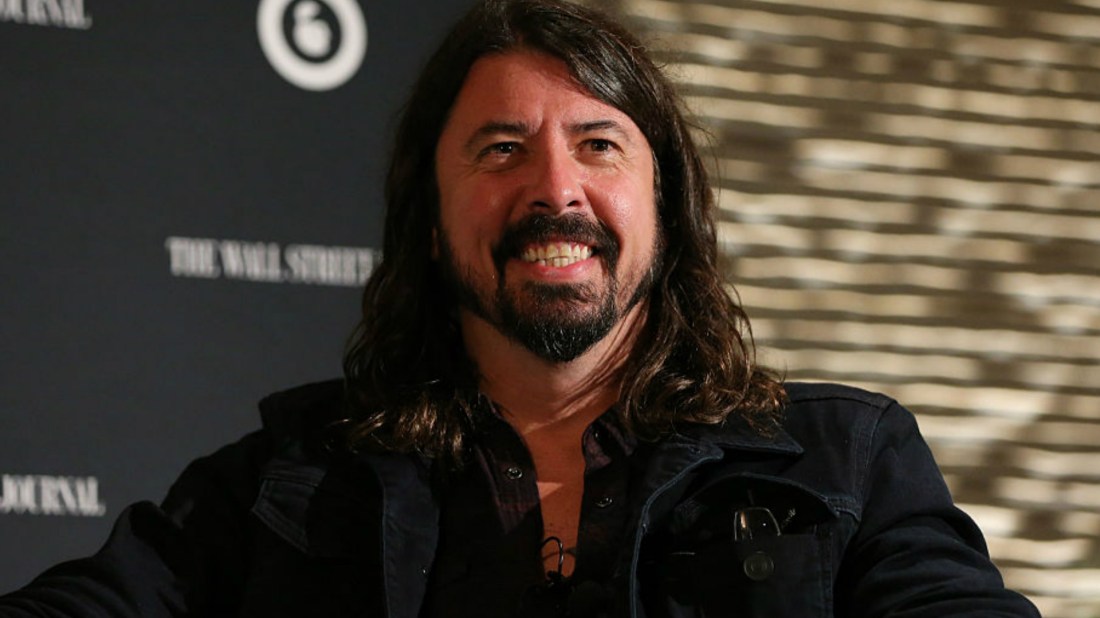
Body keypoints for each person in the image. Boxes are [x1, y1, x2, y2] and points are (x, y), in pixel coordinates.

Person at [1, 0, 1040, 616]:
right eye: (502, 149)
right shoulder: (286, 480)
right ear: (430, 217)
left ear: (666, 208)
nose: (555, 189)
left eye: (598, 145)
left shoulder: (847, 459)